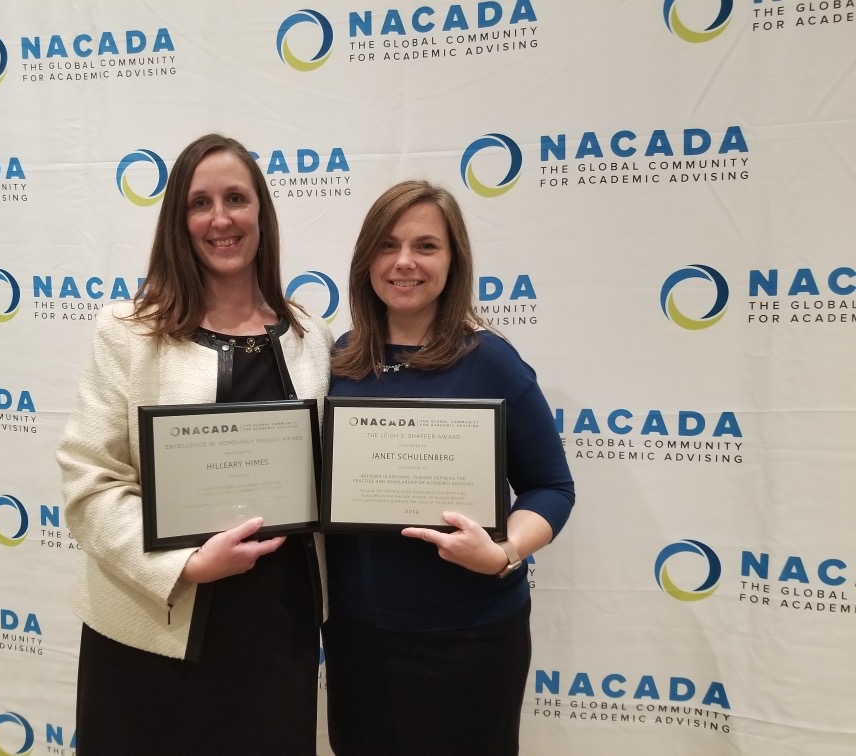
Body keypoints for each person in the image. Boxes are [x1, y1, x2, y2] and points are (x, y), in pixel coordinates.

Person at [56, 134, 332, 755]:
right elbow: (89, 480)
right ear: (178, 222)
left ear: (261, 211)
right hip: (151, 631)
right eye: (199, 202)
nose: (221, 218)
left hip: (277, 633)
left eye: (236, 198)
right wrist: (183, 567)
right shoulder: (128, 332)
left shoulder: (310, 334)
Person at [322, 180, 575, 755]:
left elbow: (551, 487)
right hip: (359, 635)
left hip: (471, 635)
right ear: (366, 259)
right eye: (387, 245)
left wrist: (504, 552)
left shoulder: (490, 360)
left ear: (453, 259)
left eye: (426, 246)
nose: (404, 262)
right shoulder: (340, 360)